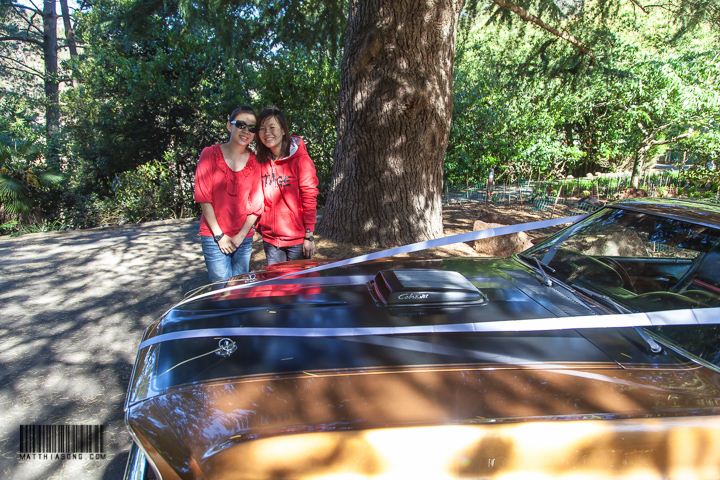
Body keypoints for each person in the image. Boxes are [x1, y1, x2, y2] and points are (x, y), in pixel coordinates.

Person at [194, 106, 263, 283]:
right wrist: (219, 236)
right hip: (214, 236)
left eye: (251, 127)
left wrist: (240, 236)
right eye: (241, 125)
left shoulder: (255, 161)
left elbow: (256, 204)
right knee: (221, 290)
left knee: (240, 289)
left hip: (243, 237)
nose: (246, 131)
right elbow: (204, 197)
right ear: (228, 126)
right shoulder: (209, 154)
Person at [255, 106, 319, 265]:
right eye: (262, 129)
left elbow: (309, 198)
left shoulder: (301, 160)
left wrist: (309, 235)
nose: (267, 133)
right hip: (271, 241)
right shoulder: (260, 161)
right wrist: (260, 225)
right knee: (278, 287)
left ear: (283, 130)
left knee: (297, 288)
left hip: (297, 241)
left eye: (272, 127)